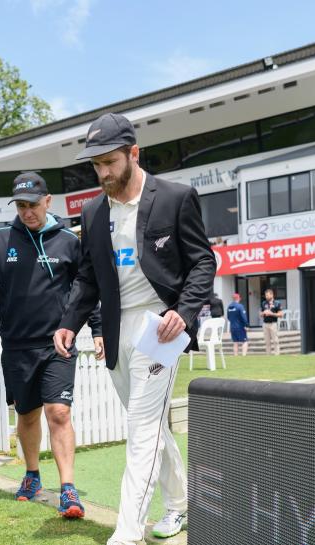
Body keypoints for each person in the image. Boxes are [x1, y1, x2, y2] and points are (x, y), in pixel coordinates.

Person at [53, 113, 215, 544]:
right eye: (96, 165)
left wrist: (184, 310)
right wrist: (70, 322)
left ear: (133, 153)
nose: (103, 172)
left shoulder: (176, 197)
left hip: (161, 328)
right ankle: (180, 503)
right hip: (114, 329)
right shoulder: (91, 212)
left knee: (141, 429)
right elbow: (88, 277)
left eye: (109, 162)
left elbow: (203, 261)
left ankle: (126, 534)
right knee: (153, 426)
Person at [0, 171, 102, 518]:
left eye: (33, 205)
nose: (27, 212)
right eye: (21, 206)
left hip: (59, 343)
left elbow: (86, 290)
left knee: (59, 412)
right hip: (16, 345)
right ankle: (32, 475)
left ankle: (69, 490)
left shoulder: (69, 241)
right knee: (27, 415)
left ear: (48, 201)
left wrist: (98, 329)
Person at [261, 288, 283, 356]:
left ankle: (277, 355)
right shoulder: (264, 303)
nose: (266, 297)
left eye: (267, 295)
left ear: (272, 295)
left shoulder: (277, 303)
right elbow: (261, 313)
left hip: (273, 324)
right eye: (266, 295)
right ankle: (268, 355)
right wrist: (263, 313)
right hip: (265, 324)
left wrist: (271, 314)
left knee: (275, 341)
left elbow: (281, 315)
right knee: (267, 342)